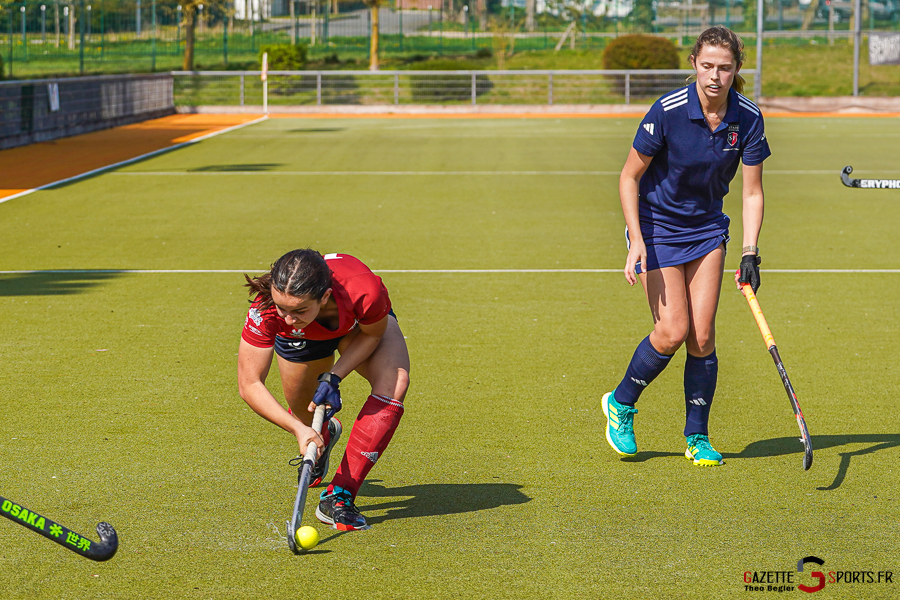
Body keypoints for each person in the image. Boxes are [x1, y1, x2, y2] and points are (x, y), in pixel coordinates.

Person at [602, 26, 769, 466]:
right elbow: (628, 177)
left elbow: (752, 192)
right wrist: (635, 240)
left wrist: (750, 250)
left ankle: (697, 436)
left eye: (725, 67)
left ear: (737, 70)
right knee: (672, 331)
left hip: (707, 230)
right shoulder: (668, 110)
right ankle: (621, 402)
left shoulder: (748, 118)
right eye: (708, 65)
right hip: (657, 226)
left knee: (702, 334)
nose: (715, 76)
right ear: (695, 63)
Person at [238, 249, 410, 530]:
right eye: (284, 309)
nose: (289, 318)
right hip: (301, 341)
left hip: (357, 327)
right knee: (305, 414)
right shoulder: (267, 307)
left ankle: (340, 495)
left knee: (395, 382)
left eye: (300, 310)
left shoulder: (363, 290)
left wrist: (334, 376)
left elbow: (373, 334)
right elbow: (249, 384)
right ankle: (325, 434)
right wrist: (299, 429)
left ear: (325, 297)